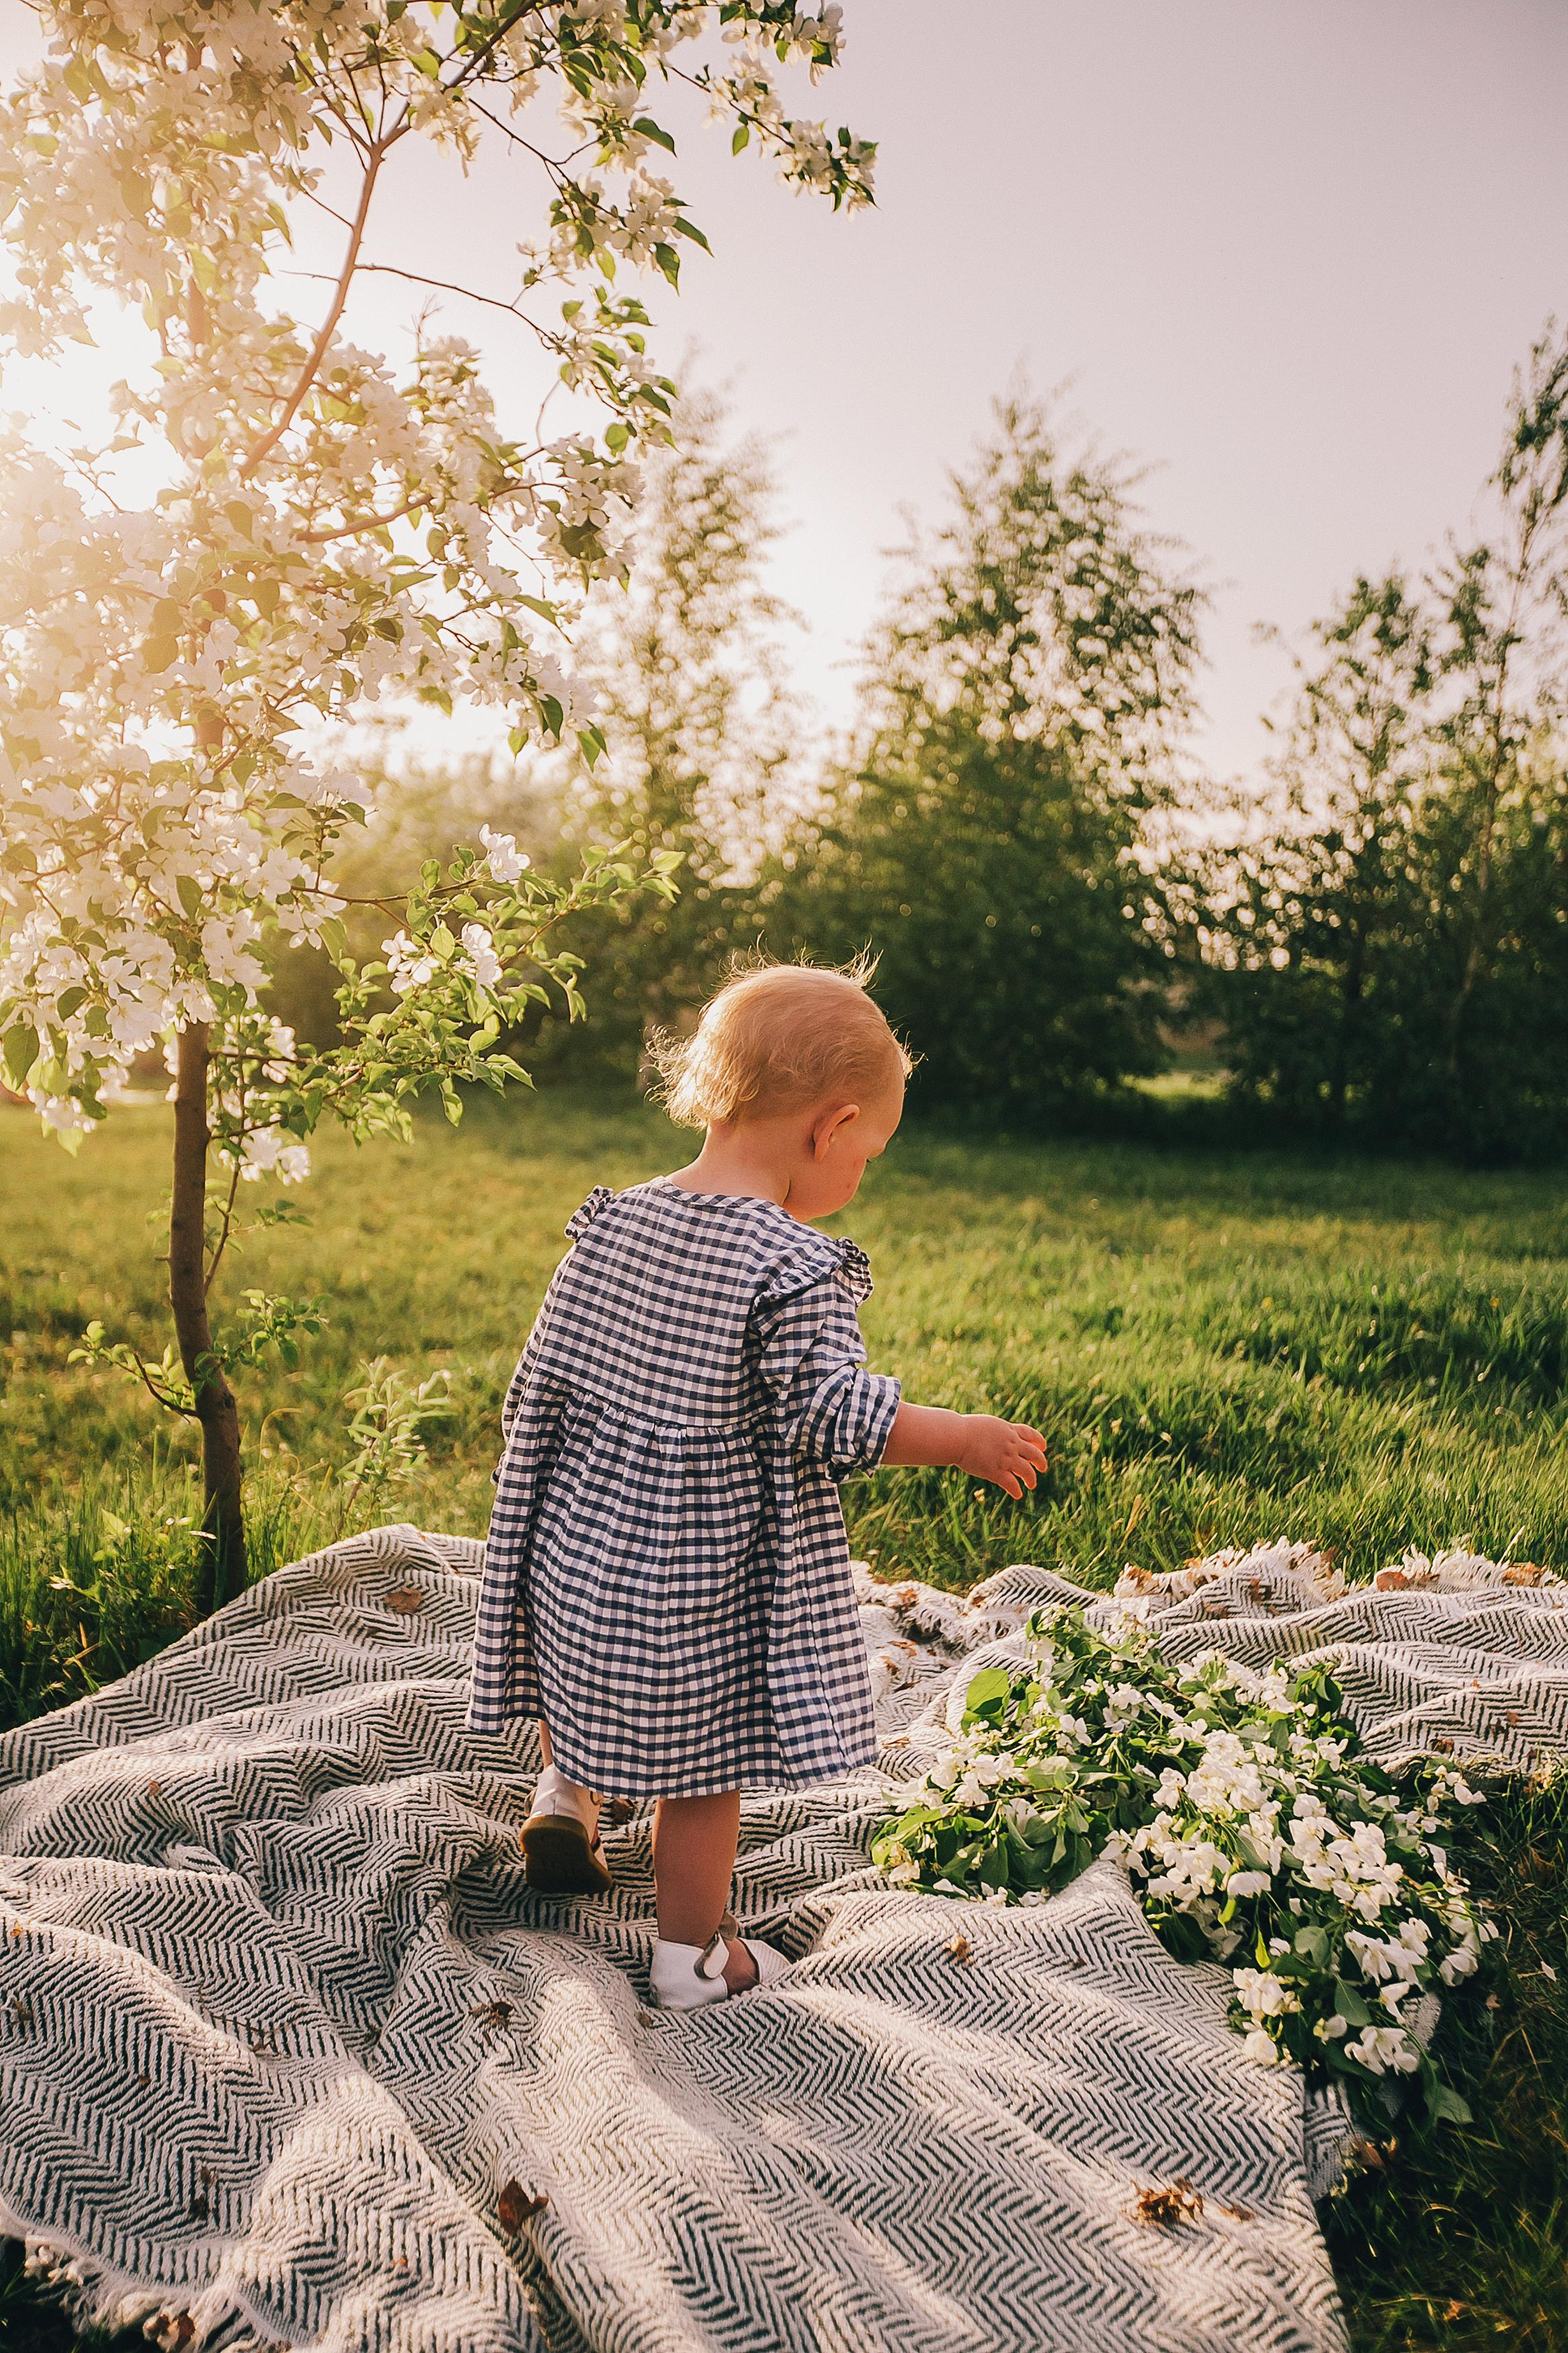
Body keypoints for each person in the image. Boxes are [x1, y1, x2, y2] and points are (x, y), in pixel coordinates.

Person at [466, 961, 1048, 2010]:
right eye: (866, 1156)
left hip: (574, 1551)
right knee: (702, 1769)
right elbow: (830, 1414)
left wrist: (556, 1509)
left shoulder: (615, 1224)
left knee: (583, 1673)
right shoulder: (789, 1267)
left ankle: (570, 1791)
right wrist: (961, 1438)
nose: (856, 1177)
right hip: (693, 1586)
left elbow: (537, 1384)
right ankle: (692, 1957)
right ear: (833, 1127)